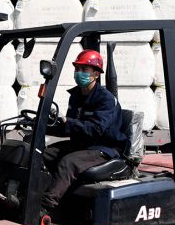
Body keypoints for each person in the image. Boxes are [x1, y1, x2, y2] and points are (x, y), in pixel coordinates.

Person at [39, 49, 127, 212]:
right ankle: (42, 194)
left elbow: (96, 129)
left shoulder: (105, 99)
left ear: (96, 74)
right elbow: (70, 127)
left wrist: (69, 122)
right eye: (77, 69)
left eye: (84, 70)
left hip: (103, 148)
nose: (79, 73)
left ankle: (46, 207)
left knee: (68, 162)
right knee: (43, 154)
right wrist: (45, 126)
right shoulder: (76, 95)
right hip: (83, 144)